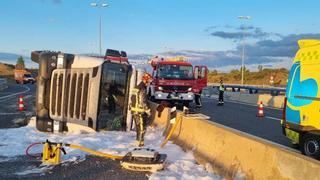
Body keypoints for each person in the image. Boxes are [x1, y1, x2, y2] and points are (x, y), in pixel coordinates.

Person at [130, 73, 151, 147]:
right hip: (140, 112)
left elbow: (132, 98)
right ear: (146, 81)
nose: (149, 83)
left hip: (134, 111)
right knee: (142, 127)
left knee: (138, 127)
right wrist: (148, 110)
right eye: (149, 81)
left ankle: (137, 140)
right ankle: (141, 143)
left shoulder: (136, 87)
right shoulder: (143, 88)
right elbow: (143, 102)